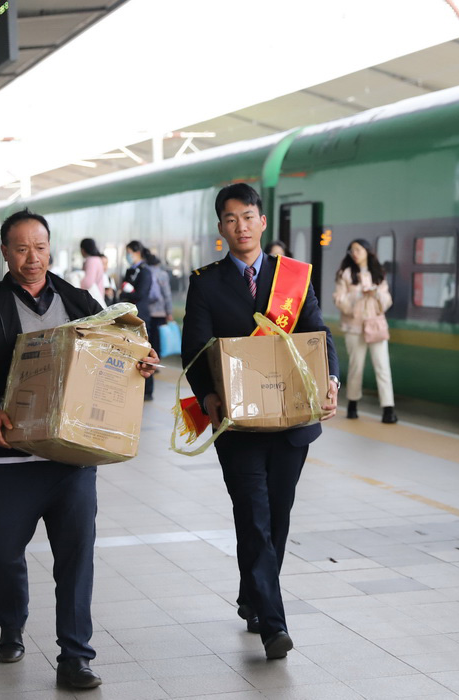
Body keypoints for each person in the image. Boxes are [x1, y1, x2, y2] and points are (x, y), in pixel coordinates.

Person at [0, 209, 157, 690]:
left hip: (73, 457)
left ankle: (75, 655)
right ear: (4, 252)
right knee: (3, 552)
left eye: (39, 247)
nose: (31, 258)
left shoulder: (80, 300)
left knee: (76, 556)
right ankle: (11, 623)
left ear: (49, 247)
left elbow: (116, 351)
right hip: (10, 457)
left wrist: (137, 364)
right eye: (20, 248)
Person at [181, 183, 339, 660]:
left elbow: (316, 332)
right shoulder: (206, 282)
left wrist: (330, 378)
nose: (241, 227)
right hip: (239, 423)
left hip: (291, 422)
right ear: (221, 227)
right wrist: (207, 395)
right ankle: (274, 624)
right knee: (253, 514)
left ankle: (253, 595)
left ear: (262, 221)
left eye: (248, 217)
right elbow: (194, 349)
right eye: (231, 219)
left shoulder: (292, 276)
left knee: (278, 514)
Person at [333, 239, 398, 423]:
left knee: (382, 366)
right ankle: (352, 405)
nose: (355, 253)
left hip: (376, 325)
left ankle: (388, 409)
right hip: (354, 327)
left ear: (368, 251)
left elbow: (386, 301)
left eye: (358, 250)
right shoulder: (344, 274)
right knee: (356, 367)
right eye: (352, 250)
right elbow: (339, 300)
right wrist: (359, 295)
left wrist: (376, 292)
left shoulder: (378, 274)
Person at [120, 240, 154, 400]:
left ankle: (147, 390)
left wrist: (127, 294)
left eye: (129, 252)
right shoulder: (130, 270)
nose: (127, 256)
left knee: (144, 353)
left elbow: (141, 294)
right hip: (129, 314)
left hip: (141, 315)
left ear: (136, 252)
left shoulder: (145, 272)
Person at [144, 249, 173, 360]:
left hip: (146, 310)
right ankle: (155, 360)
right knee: (158, 338)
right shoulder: (162, 274)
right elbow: (167, 294)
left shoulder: (145, 272)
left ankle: (147, 358)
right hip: (159, 312)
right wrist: (169, 312)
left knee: (148, 338)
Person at [79, 238, 106, 307]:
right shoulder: (97, 259)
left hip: (93, 299)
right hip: (98, 297)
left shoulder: (91, 260)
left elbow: (88, 283)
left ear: (83, 249)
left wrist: (76, 288)